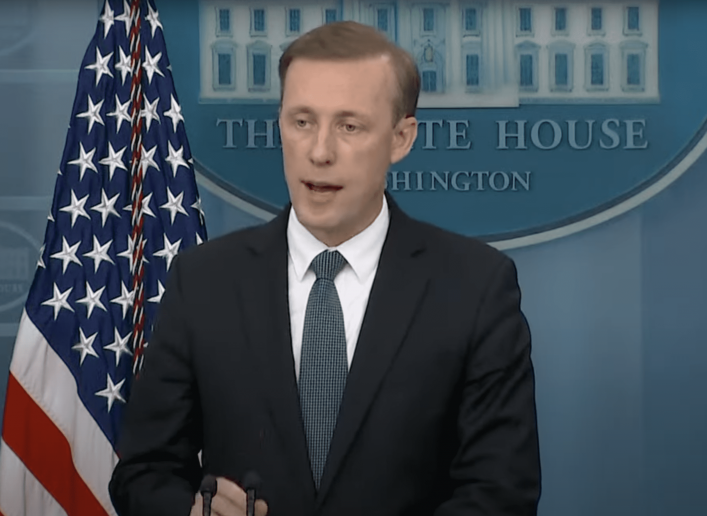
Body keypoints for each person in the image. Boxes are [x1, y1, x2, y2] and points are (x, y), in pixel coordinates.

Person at [109, 20, 540, 516]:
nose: (319, 152)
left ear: (401, 138)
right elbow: (143, 473)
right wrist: (192, 511)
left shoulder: (475, 288)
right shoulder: (204, 281)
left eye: (349, 126)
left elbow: (501, 494)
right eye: (302, 122)